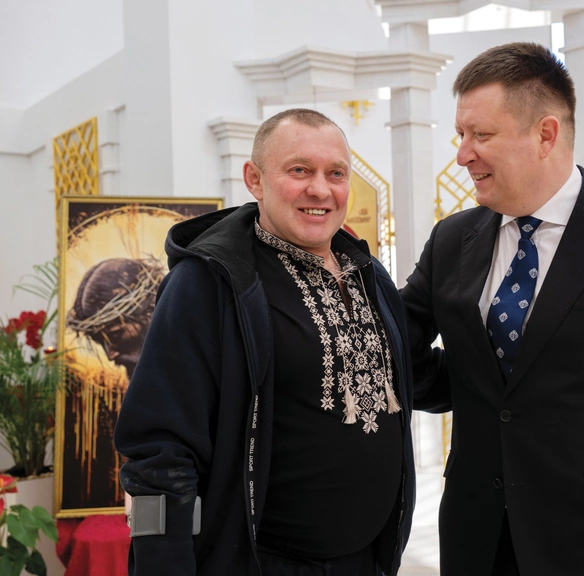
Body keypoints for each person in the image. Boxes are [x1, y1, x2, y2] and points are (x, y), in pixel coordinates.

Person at [402, 42, 584, 575]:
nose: (463, 154)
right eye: (460, 135)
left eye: (481, 135)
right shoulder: (452, 240)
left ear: (546, 134)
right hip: (480, 543)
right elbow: (396, 348)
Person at [114, 108, 423, 575]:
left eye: (336, 173)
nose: (320, 189)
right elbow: (159, 448)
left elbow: (410, 372)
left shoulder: (369, 275)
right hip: (262, 562)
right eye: (299, 170)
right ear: (254, 179)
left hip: (368, 561)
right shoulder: (210, 284)